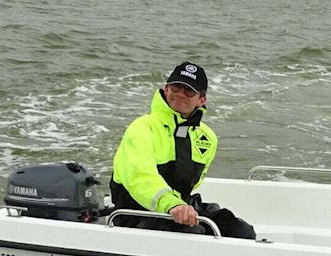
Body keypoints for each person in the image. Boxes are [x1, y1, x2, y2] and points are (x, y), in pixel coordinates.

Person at [109, 60, 257, 239]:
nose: (180, 94)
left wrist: (182, 207)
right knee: (192, 234)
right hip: (135, 214)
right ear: (166, 89)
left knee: (240, 231)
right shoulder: (141, 128)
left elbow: (191, 184)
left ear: (201, 100)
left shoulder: (207, 138)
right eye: (176, 87)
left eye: (189, 90)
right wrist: (172, 205)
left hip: (180, 209)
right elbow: (140, 178)